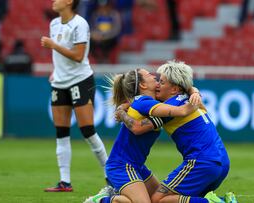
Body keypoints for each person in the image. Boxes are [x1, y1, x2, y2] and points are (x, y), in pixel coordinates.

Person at [117, 61, 237, 203]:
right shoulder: (191, 100)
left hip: (201, 162)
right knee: (183, 199)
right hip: (222, 162)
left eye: (161, 82)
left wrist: (121, 112)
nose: (157, 85)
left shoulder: (171, 108)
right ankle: (222, 199)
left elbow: (138, 127)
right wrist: (194, 90)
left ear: (174, 89)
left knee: (158, 200)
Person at [84, 68, 202, 203]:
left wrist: (194, 91)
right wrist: (195, 99)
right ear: (143, 85)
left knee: (159, 200)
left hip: (137, 166)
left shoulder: (147, 102)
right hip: (121, 165)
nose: (154, 76)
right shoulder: (144, 102)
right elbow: (181, 111)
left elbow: (185, 88)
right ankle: (102, 200)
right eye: (149, 75)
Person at [41, 0, 108, 192]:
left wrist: (53, 44)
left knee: (87, 130)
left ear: (69, 1)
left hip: (80, 80)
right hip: (59, 83)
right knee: (61, 133)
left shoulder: (80, 23)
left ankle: (111, 174)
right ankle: (65, 182)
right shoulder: (54, 24)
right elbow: (60, 58)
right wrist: (56, 70)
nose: (54, 1)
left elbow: (78, 56)